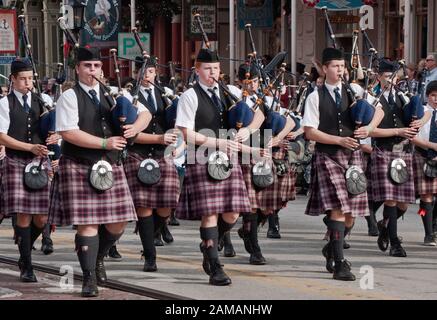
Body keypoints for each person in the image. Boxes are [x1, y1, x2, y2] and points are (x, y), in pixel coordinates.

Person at [48, 47, 150, 297]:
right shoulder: (69, 97)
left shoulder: (114, 93)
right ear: (78, 69)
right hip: (80, 163)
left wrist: (133, 128)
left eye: (96, 66)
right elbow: (68, 132)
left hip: (110, 165)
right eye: (87, 66)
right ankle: (89, 278)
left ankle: (97, 257)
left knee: (118, 223)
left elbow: (145, 113)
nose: (92, 71)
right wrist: (105, 143)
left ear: (101, 69)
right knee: (88, 224)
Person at [302, 48, 384, 281]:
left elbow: (378, 110)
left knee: (351, 216)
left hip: (353, 158)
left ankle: (331, 248)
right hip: (328, 156)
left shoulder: (355, 90)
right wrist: (338, 139)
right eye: (335, 66)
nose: (340, 70)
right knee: (338, 209)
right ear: (325, 69)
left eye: (342, 66)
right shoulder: (315, 96)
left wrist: (368, 128)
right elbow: (309, 132)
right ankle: (340, 263)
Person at [175, 48, 254, 285]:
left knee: (232, 212)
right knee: (209, 213)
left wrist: (246, 132)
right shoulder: (189, 96)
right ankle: (215, 265)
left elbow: (256, 115)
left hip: (227, 158)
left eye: (217, 69)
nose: (213, 73)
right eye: (208, 69)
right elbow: (186, 133)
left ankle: (209, 242)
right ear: (197, 70)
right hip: (201, 157)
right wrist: (218, 141)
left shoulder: (230, 92)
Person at [0, 58, 55, 282]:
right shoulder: (5, 103)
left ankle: (25, 249)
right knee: (23, 215)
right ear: (13, 80)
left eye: (30, 78)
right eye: (23, 79)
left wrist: (54, 136)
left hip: (39, 163)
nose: (27, 83)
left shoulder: (43, 101)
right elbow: (1, 136)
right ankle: (26, 264)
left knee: (42, 218)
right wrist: (29, 147)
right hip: (15, 160)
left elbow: (53, 129)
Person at [123, 55, 180, 272]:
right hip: (138, 152)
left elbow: (174, 123)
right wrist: (159, 138)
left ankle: (152, 231)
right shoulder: (128, 95)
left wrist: (172, 138)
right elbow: (129, 134)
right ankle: (149, 255)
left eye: (151, 71)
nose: (147, 76)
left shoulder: (164, 93)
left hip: (162, 152)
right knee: (144, 207)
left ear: (156, 72)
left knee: (168, 203)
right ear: (136, 72)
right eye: (143, 71)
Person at [370, 59, 427, 257]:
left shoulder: (403, 97)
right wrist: (398, 130)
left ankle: (384, 225)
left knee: (403, 203)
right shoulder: (373, 99)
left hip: (403, 152)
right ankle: (394, 242)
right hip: (383, 151)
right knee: (391, 200)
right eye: (386, 77)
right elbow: (370, 131)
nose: (391, 81)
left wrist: (419, 121)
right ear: (379, 77)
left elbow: (427, 112)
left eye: (394, 77)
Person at [412, 80, 437, 246]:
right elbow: (413, 137)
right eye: (433, 95)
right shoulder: (421, 112)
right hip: (423, 156)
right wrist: (431, 146)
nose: (436, 99)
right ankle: (428, 233)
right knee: (426, 197)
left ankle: (434, 226)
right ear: (427, 96)